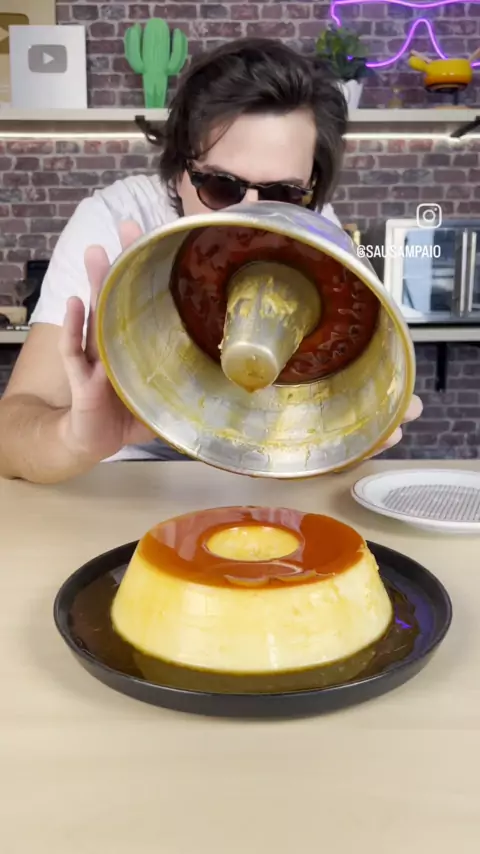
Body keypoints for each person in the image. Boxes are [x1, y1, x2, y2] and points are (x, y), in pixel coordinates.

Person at [0, 38, 421, 483]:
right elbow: (9, 438)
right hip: (127, 481)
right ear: (180, 169)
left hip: (260, 487)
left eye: (282, 194)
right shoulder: (113, 220)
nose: (252, 217)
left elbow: (321, 438)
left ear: (309, 189)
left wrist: (350, 436)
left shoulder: (318, 228)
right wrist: (75, 439)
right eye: (222, 187)